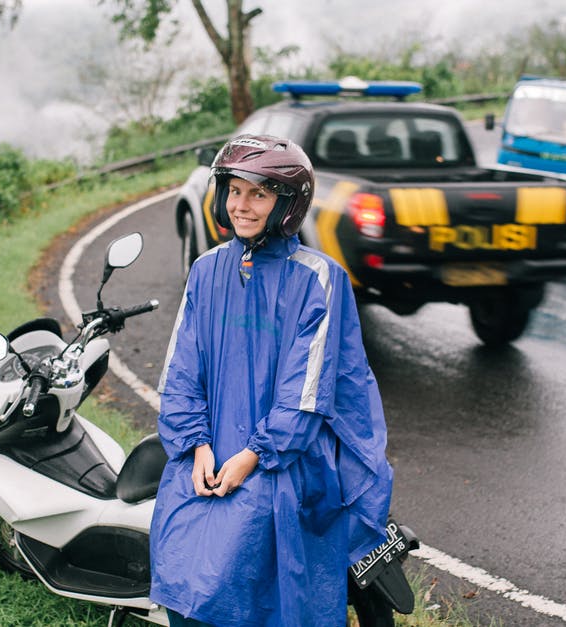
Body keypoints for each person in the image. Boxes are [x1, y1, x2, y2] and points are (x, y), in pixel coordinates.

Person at [151, 134, 394, 626]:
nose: (242, 205)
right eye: (234, 191)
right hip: (208, 452)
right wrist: (196, 445)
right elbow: (181, 373)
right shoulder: (205, 270)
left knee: (252, 574)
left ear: (287, 202)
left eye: (258, 194)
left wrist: (252, 456)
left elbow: (307, 394)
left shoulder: (317, 278)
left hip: (285, 459)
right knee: (179, 559)